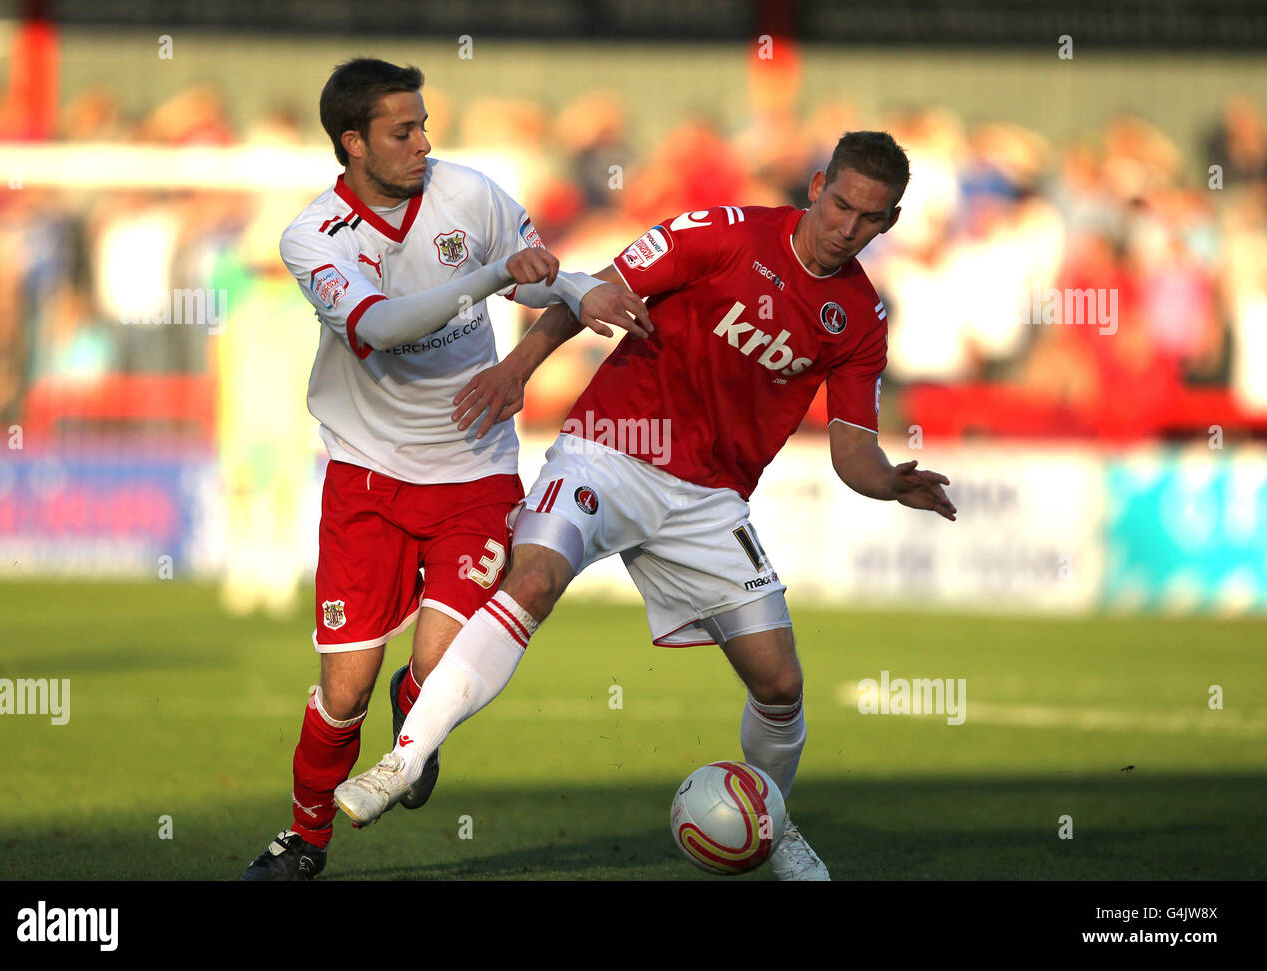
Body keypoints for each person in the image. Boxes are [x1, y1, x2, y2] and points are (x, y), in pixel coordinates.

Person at [335, 130, 956, 881]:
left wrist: (889, 480)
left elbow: (853, 448)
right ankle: (403, 760)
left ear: (889, 224)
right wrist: (516, 370)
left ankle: (770, 816)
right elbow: (593, 294)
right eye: (840, 204)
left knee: (781, 683)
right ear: (818, 185)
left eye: (868, 218)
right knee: (529, 583)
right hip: (611, 448)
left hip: (709, 500)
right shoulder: (722, 235)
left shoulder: (860, 317)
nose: (846, 227)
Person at [241, 58, 649, 880]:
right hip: (367, 478)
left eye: (426, 124)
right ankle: (304, 838)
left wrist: (572, 302)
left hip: (475, 471)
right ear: (353, 143)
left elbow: (544, 278)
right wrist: (495, 275)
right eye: (404, 130)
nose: (425, 142)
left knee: (440, 672)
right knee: (343, 696)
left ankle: (415, 709)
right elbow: (386, 326)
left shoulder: (471, 195)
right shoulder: (313, 236)